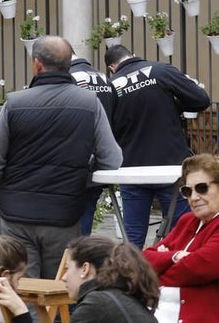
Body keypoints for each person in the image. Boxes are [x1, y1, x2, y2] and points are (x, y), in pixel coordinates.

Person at [0, 36, 121, 279]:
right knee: (59, 289)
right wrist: (83, 180)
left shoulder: (15, 103)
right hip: (64, 214)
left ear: (37, 64)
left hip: (15, 214)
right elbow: (112, 160)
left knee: (21, 287)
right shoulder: (89, 103)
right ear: (69, 64)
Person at [104, 44, 211, 247]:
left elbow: (106, 129)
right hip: (171, 166)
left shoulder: (110, 87)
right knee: (180, 231)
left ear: (112, 67)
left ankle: (130, 268)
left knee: (132, 236)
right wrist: (175, 106)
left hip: (132, 170)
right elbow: (201, 100)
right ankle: (174, 266)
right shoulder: (161, 70)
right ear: (133, 55)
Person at [142, 153, 219, 323]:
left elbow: (196, 268)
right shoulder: (187, 220)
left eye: (202, 188)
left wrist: (154, 273)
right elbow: (144, 259)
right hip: (157, 312)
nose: (194, 197)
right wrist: (174, 256)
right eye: (187, 191)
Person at [53, 236, 160, 323]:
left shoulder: (96, 304)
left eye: (68, 268)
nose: (63, 278)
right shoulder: (122, 296)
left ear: (85, 269)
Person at [70, 56, 115, 236]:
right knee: (88, 209)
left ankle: (73, 251)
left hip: (73, 159)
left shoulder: (68, 77)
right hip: (98, 157)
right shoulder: (104, 78)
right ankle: (83, 250)